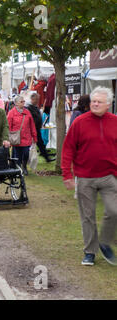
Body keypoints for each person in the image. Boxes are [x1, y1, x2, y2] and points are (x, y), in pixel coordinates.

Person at [61, 86, 117, 266]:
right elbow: (68, 148)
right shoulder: (80, 122)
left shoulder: (115, 121)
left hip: (109, 176)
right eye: (93, 101)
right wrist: (66, 174)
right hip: (85, 177)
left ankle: (104, 241)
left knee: (114, 210)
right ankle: (90, 252)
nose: (95, 104)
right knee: (88, 215)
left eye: (99, 101)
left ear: (108, 104)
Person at [7, 95, 37, 175]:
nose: (24, 103)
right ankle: (19, 168)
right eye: (21, 101)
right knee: (17, 155)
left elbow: (32, 125)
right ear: (16, 103)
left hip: (26, 137)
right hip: (16, 138)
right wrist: (8, 138)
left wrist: (34, 137)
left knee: (26, 153)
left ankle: (24, 166)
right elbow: (8, 126)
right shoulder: (11, 113)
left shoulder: (27, 112)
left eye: (24, 101)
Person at [26, 92, 55, 163]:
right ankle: (26, 159)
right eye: (36, 99)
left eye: (37, 99)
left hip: (37, 129)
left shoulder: (35, 107)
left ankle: (46, 156)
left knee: (40, 143)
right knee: (30, 145)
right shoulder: (29, 108)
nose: (37, 101)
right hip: (32, 129)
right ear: (32, 99)